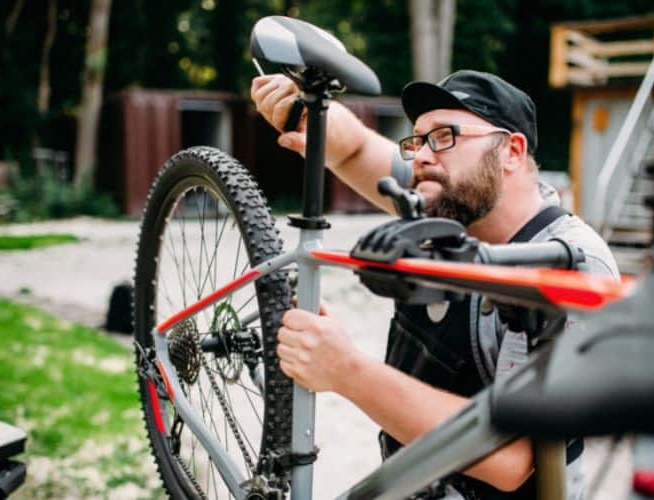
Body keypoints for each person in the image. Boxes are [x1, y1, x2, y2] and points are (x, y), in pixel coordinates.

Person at [251, 69, 619, 499]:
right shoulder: (446, 205)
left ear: (512, 151)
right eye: (417, 140)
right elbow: (355, 150)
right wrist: (306, 114)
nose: (421, 156)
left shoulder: (572, 263)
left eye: (443, 136)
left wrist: (344, 368)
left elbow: (511, 457)